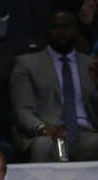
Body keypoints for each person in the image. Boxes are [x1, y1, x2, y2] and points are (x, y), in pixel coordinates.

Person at [10, 11, 98, 162]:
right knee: (43, 146)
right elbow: (22, 109)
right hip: (47, 134)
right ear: (47, 31)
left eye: (67, 27)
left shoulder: (91, 65)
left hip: (86, 135)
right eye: (55, 28)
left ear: (76, 32)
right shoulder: (27, 63)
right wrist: (41, 127)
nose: (61, 32)